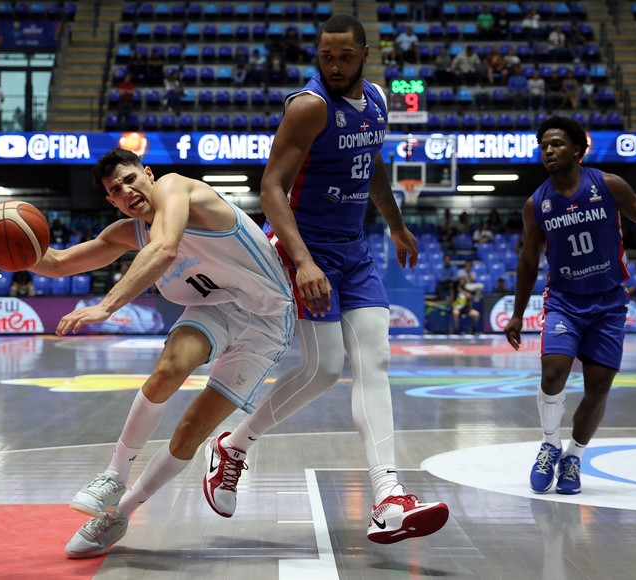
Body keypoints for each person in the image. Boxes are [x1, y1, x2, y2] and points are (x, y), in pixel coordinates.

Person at [200, 14, 448, 545]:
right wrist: (304, 260)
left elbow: (370, 161)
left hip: (354, 252)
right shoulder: (309, 107)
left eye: (344, 57)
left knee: (375, 360)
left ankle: (388, 497)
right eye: (325, 56)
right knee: (324, 369)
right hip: (303, 250)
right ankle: (234, 443)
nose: (333, 65)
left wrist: (397, 226)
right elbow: (270, 187)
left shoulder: (378, 101)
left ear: (364, 55)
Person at [3, 148, 294, 558]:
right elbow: (59, 263)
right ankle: (114, 474)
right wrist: (13, 250)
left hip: (266, 320)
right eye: (115, 190)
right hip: (214, 309)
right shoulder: (128, 231)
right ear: (112, 201)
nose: (126, 190)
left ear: (149, 174)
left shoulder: (177, 188)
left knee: (191, 430)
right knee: (167, 371)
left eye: (130, 179)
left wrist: (105, 306)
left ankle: (120, 512)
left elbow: (165, 249)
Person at [504, 116, 636, 496]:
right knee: (552, 373)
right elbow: (527, 261)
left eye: (555, 144)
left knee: (597, 388)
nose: (548, 151)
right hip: (564, 302)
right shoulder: (537, 204)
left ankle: (573, 456)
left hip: (608, 304)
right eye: (543, 146)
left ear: (577, 149)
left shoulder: (607, 185)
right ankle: (550, 444)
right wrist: (519, 313)